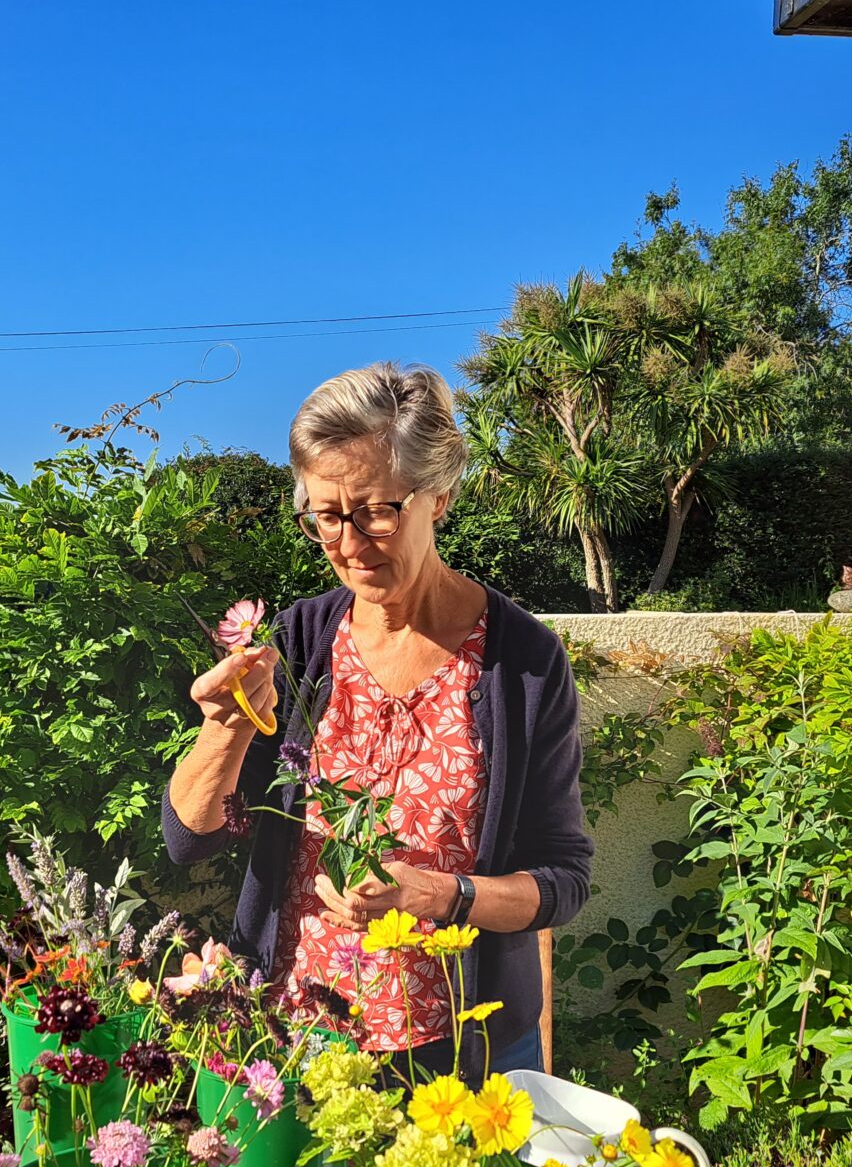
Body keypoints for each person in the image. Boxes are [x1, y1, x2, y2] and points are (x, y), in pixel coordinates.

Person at [163, 361, 592, 1080]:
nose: (350, 543)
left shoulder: (522, 663)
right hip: (299, 1042)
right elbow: (189, 839)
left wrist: (436, 894)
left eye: (375, 511)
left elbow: (563, 879)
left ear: (439, 495)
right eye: (326, 516)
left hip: (465, 1053)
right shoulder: (299, 642)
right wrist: (226, 727)